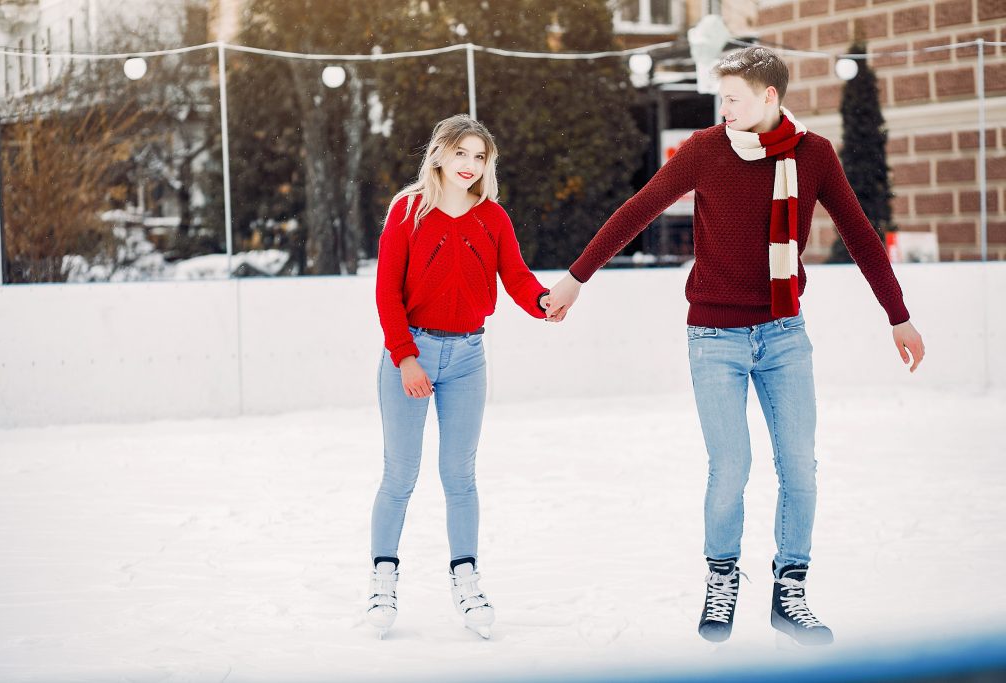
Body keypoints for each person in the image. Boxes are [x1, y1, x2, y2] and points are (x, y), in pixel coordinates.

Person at [544, 46, 925, 646]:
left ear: (769, 97)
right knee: (732, 468)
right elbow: (638, 210)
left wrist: (897, 316)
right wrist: (576, 277)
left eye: (733, 99)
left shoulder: (815, 156)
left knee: (800, 467)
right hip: (714, 337)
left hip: (784, 336)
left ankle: (790, 589)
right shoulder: (704, 151)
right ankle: (721, 579)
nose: (722, 109)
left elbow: (860, 233)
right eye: (719, 98)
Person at [369, 114, 553, 639]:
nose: (470, 166)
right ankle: (383, 579)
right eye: (462, 154)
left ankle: (466, 579)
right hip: (412, 353)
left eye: (480, 157)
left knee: (460, 476)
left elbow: (515, 276)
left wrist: (543, 304)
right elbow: (387, 292)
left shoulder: (492, 218)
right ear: (440, 155)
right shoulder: (408, 211)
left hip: (469, 357)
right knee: (400, 475)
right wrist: (405, 357)